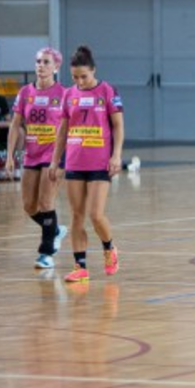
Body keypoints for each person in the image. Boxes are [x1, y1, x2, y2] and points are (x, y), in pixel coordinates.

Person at [49, 46, 124, 283]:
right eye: (75, 77)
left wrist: (116, 155)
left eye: (84, 76)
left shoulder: (107, 90)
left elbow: (118, 126)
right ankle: (80, 267)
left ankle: (109, 248)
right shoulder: (68, 94)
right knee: (77, 215)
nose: (79, 81)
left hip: (100, 162)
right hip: (74, 161)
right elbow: (62, 130)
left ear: (93, 70)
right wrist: (55, 161)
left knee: (95, 214)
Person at [5, 48, 69, 268]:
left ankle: (46, 253)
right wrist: (10, 156)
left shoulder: (64, 93)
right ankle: (55, 230)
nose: (41, 65)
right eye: (38, 61)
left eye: (46, 62)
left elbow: (70, 126)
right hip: (32, 153)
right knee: (29, 206)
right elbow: (15, 124)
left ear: (56, 67)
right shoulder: (25, 92)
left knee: (46, 202)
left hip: (54, 154)